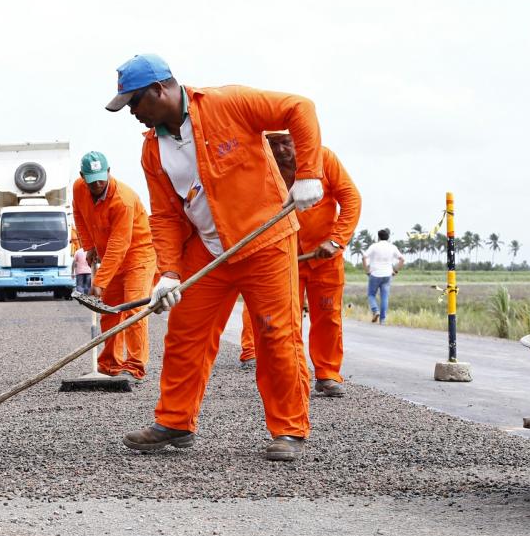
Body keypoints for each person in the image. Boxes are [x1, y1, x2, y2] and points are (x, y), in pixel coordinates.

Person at [106, 53, 323, 462]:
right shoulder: (153, 150)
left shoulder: (229, 103)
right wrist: (168, 272)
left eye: (135, 103)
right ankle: (175, 422)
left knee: (276, 335)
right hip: (207, 250)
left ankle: (289, 430)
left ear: (159, 91)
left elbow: (300, 108)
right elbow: (167, 214)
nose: (132, 113)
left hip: (266, 244)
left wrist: (309, 173)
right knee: (185, 335)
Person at [238, 132, 362, 396]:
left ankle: (327, 374)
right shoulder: (261, 166)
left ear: (299, 140)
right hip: (282, 257)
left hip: (325, 256)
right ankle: (291, 375)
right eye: (274, 144)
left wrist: (337, 241)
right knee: (284, 320)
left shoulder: (323, 159)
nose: (281, 150)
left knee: (327, 315)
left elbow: (351, 199)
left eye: (287, 142)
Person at [71, 151, 157, 379]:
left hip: (138, 255)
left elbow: (121, 244)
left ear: (109, 172)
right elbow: (79, 214)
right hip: (109, 256)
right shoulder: (79, 188)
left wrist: (99, 282)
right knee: (108, 311)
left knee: (132, 309)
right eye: (92, 180)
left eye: (102, 177)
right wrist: (88, 245)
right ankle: (110, 364)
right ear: (82, 176)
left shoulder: (123, 200)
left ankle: (135, 365)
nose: (98, 183)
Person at [363, 228, 405, 323]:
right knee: (384, 297)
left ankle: (375, 310)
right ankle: (382, 320)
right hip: (387, 274)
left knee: (371, 295)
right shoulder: (392, 247)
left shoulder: (374, 246)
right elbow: (402, 259)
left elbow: (364, 257)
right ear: (388, 237)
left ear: (378, 237)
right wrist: (395, 270)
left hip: (375, 274)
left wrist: (367, 270)